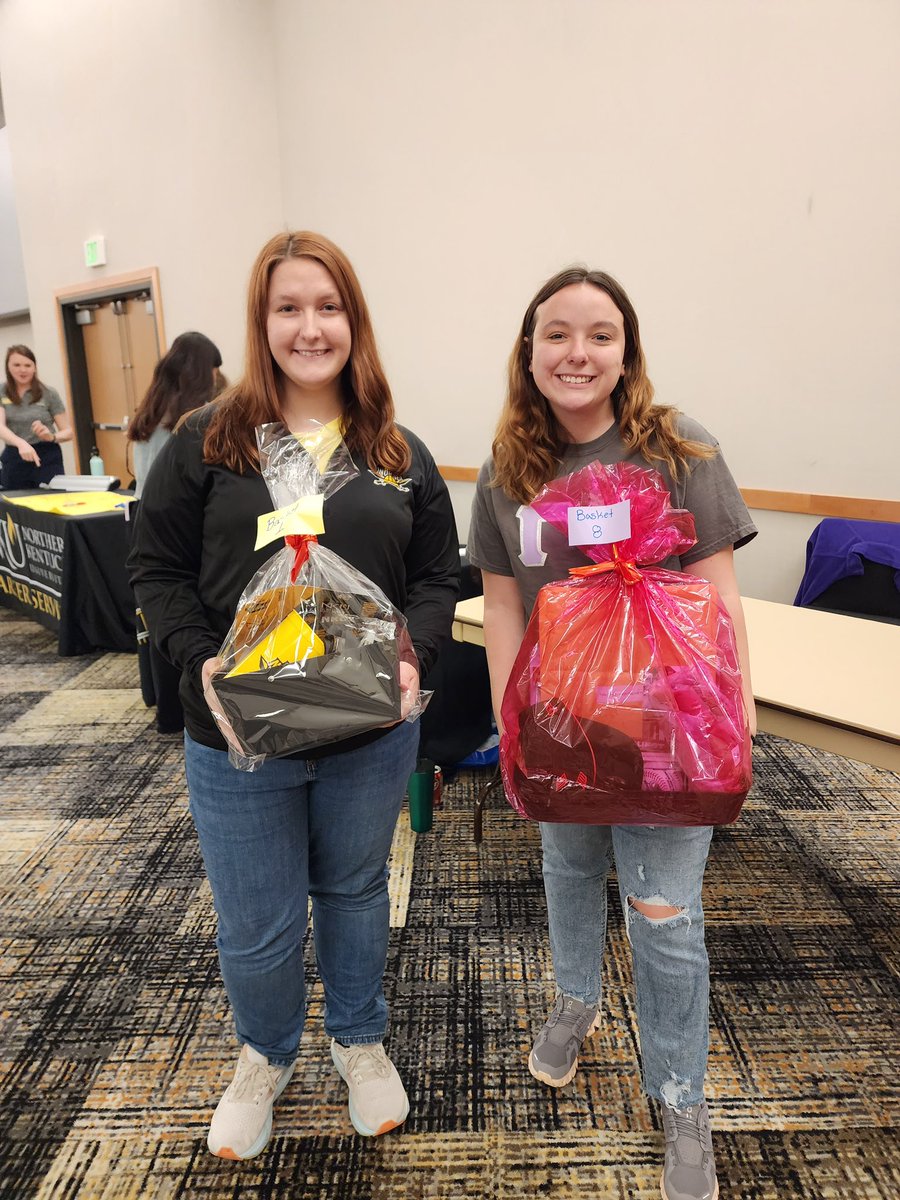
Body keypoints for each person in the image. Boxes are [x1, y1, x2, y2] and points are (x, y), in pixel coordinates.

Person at [128, 231, 459, 1161]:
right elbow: (154, 569)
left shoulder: (396, 452)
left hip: (366, 729)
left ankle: (357, 1039)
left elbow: (439, 575)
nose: (309, 327)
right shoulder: (207, 442)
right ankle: (264, 1056)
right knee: (259, 916)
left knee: (355, 890)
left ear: (354, 319)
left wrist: (415, 654)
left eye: (328, 307)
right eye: (288, 308)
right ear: (261, 320)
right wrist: (199, 661)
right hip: (237, 730)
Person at [468, 266, 757, 1200]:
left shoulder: (679, 447)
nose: (577, 353)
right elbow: (504, 607)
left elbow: (716, 595)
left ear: (626, 349)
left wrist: (736, 714)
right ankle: (576, 1002)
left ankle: (681, 1098)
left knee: (665, 917)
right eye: (557, 333)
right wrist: (514, 726)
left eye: (599, 334)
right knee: (567, 870)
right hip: (560, 726)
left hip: (669, 734)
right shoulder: (509, 469)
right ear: (529, 348)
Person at [127, 330, 223, 498]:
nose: (215, 379)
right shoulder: (200, 418)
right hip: (175, 512)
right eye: (214, 371)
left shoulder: (150, 413)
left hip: (141, 507)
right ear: (202, 373)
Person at [0, 345, 73, 488]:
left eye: (28, 365)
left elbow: (68, 432)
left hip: (47, 456)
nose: (23, 370)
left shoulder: (49, 393)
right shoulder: (2, 391)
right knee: (15, 505)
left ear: (34, 367)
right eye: (17, 365)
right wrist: (21, 443)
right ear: (8, 367)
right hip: (16, 456)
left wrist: (51, 436)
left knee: (51, 503)